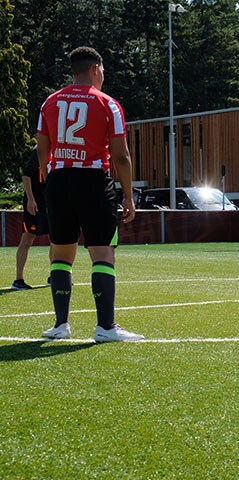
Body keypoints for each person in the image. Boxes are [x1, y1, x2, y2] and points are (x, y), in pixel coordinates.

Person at [36, 46, 143, 342]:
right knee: (103, 254)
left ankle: (61, 325)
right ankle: (106, 327)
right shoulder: (108, 104)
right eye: (104, 71)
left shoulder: (50, 103)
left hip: (59, 181)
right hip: (94, 181)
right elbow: (121, 156)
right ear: (96, 69)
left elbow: (42, 148)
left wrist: (50, 179)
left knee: (60, 254)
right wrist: (128, 195)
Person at [11, 147, 51, 290]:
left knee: (57, 240)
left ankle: (55, 276)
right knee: (27, 239)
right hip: (35, 205)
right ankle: (18, 279)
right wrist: (30, 199)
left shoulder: (58, 152)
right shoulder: (39, 152)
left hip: (50, 205)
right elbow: (26, 175)